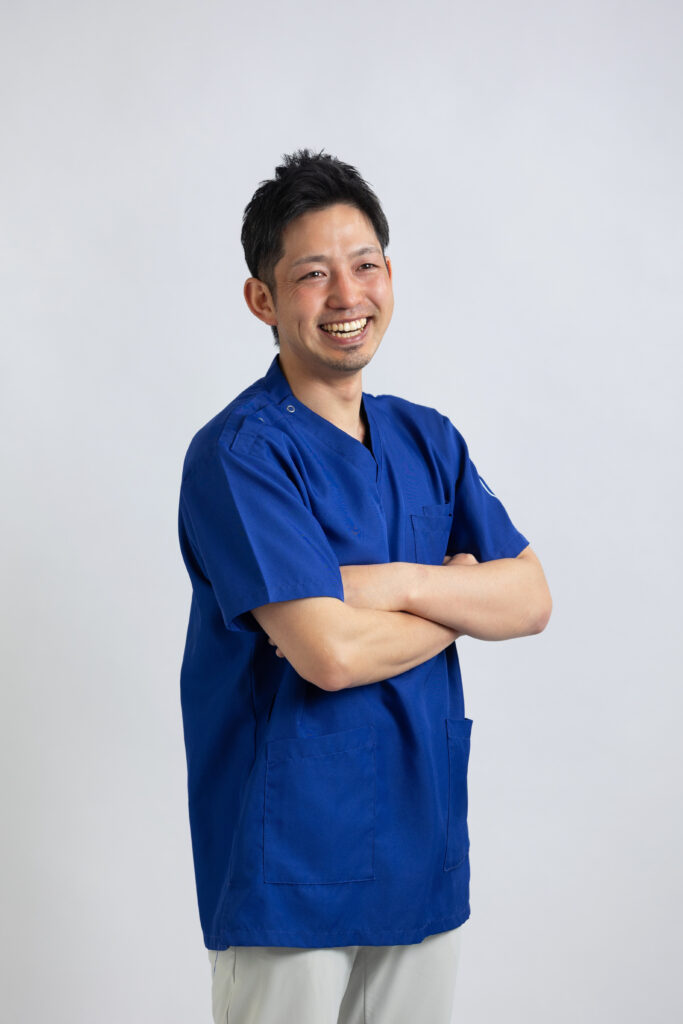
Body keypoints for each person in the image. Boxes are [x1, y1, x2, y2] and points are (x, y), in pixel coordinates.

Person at [177, 149, 552, 1024]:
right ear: (262, 300)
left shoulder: (427, 439)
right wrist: (458, 598)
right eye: (313, 274)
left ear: (390, 275)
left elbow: (531, 599)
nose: (347, 295)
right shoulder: (241, 454)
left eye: (365, 265)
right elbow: (331, 655)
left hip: (421, 850)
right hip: (289, 866)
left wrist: (393, 584)